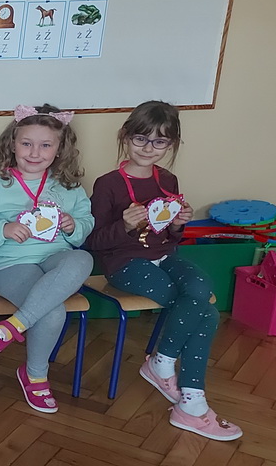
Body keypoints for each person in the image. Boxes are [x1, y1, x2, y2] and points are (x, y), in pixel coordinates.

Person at [84, 101, 240, 440]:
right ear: (125, 136)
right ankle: (190, 398)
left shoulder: (167, 179)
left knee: (201, 287)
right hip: (124, 264)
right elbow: (92, 241)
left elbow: (169, 235)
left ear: (172, 144)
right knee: (206, 311)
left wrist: (179, 224)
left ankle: (165, 364)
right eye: (140, 138)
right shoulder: (108, 184)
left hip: (164, 256)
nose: (148, 148)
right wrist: (125, 226)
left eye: (159, 141)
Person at [0, 104, 94, 414]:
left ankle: (14, 326)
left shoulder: (69, 187)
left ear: (60, 149)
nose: (35, 153)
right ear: (12, 144)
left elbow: (86, 225)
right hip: (10, 266)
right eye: (27, 143)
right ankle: (35, 375)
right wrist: (3, 230)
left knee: (82, 259)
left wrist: (73, 226)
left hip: (57, 261)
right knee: (52, 311)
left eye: (46, 145)